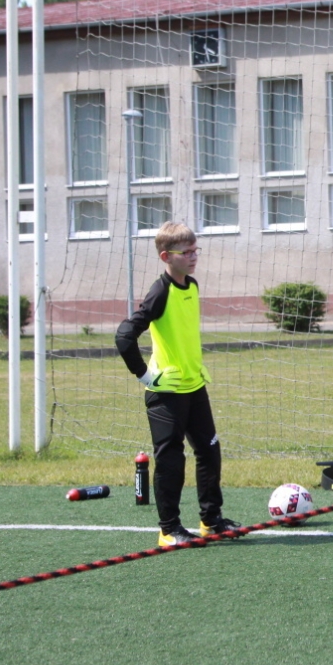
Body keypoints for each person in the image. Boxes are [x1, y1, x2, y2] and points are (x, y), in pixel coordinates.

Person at [115, 222, 243, 546]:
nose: (193, 256)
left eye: (194, 250)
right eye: (185, 252)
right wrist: (145, 375)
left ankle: (211, 521)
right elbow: (124, 335)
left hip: (194, 387)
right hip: (166, 392)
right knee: (172, 459)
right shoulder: (160, 292)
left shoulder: (193, 286)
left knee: (210, 452)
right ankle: (168, 529)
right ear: (165, 256)